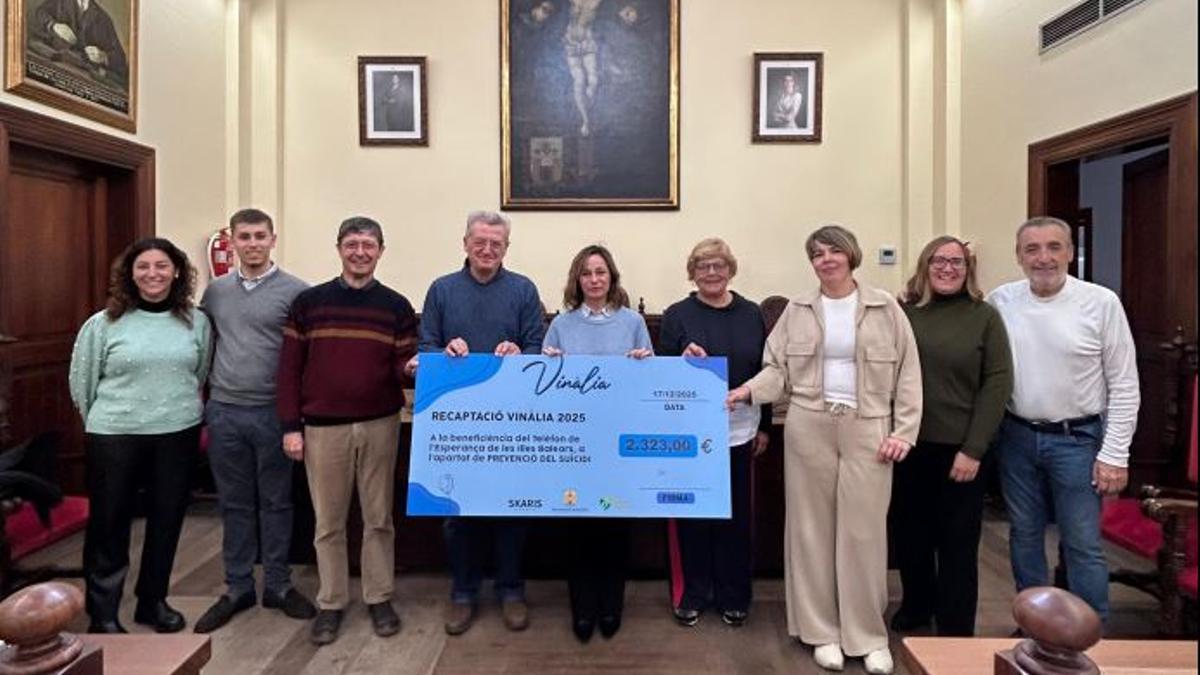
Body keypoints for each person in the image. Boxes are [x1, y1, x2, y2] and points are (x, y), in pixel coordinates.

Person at [727, 225, 921, 674]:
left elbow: (909, 374)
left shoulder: (885, 307)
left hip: (868, 427)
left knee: (863, 534)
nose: (826, 259)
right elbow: (776, 370)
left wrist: (904, 431)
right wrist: (747, 392)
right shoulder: (797, 310)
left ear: (851, 255)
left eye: (834, 251)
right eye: (817, 253)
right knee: (810, 531)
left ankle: (868, 635)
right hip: (808, 426)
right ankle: (821, 631)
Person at [987, 216, 1139, 622]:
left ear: (1071, 253)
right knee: (1024, 537)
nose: (1044, 258)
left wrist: (1115, 454)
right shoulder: (1001, 301)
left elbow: (1125, 384)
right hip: (1017, 437)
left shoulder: (1101, 303)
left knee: (1082, 544)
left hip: (1079, 440)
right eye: (1032, 249)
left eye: (1054, 247)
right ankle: (1037, 629)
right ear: (1018, 256)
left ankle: (1091, 636)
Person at [276, 216, 418, 646]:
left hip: (380, 424)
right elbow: (288, 371)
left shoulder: (396, 306)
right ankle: (332, 602)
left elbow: (402, 366)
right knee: (328, 521)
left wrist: (410, 369)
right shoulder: (308, 303)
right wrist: (290, 428)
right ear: (339, 248)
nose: (361, 252)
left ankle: (379, 597)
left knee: (378, 518)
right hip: (322, 429)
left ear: (381, 251)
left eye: (369, 245)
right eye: (352, 244)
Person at [409, 210, 545, 636]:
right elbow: (426, 342)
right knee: (457, 513)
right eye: (480, 242)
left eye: (496, 244)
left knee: (511, 510)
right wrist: (444, 348)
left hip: (511, 422)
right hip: (456, 421)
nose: (487, 250)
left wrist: (519, 352)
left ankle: (511, 590)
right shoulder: (442, 289)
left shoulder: (523, 290)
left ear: (506, 248)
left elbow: (538, 345)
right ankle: (463, 592)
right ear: (465, 243)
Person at [68, 237, 212, 634]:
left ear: (177, 271)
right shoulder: (103, 324)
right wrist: (117, 417)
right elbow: (83, 383)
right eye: (144, 266)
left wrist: (169, 408)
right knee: (109, 524)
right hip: (115, 435)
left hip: (177, 432)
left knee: (166, 520)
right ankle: (103, 613)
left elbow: (196, 374)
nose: (153, 274)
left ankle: (153, 601)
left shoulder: (195, 322)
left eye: (162, 266)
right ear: (129, 274)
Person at [192, 209, 315, 634]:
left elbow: (305, 358)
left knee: (277, 502)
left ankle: (278, 584)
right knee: (235, 504)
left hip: (273, 412)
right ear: (233, 241)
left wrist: (295, 416)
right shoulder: (216, 292)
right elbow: (204, 345)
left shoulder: (298, 293)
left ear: (273, 239)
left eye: (260, 236)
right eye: (244, 237)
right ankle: (238, 585)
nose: (253, 244)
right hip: (225, 411)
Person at [890, 236, 1013, 636]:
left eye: (957, 262)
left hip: (962, 450)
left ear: (968, 269)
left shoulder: (984, 317)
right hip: (908, 445)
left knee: (957, 543)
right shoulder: (903, 313)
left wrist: (974, 449)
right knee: (911, 535)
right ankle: (916, 607)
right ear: (925, 266)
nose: (948, 268)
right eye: (939, 261)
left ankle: (956, 626)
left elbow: (997, 383)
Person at [543, 244, 652, 643]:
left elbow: (649, 383)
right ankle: (582, 609)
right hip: (574, 443)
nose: (594, 279)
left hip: (618, 442)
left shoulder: (632, 322)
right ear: (577, 279)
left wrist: (644, 362)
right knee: (578, 529)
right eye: (587, 273)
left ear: (612, 277)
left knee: (614, 527)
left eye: (601, 272)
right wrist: (549, 361)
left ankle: (611, 606)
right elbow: (542, 385)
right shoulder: (562, 324)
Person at [658, 238, 770, 628]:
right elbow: (663, 373)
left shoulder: (752, 313)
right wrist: (682, 359)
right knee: (692, 517)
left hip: (741, 431)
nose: (711, 272)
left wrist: (766, 426)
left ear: (730, 269)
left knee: (736, 519)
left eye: (719, 265)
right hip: (690, 435)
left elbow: (764, 372)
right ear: (693, 271)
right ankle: (693, 593)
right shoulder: (677, 315)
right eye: (703, 266)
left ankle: (733, 595)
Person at [31, 0, 129, 86]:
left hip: (83, 75)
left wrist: (103, 56)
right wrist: (54, 26)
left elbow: (121, 60)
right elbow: (40, 13)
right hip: (53, 62)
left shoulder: (104, 19)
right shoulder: (60, 1)